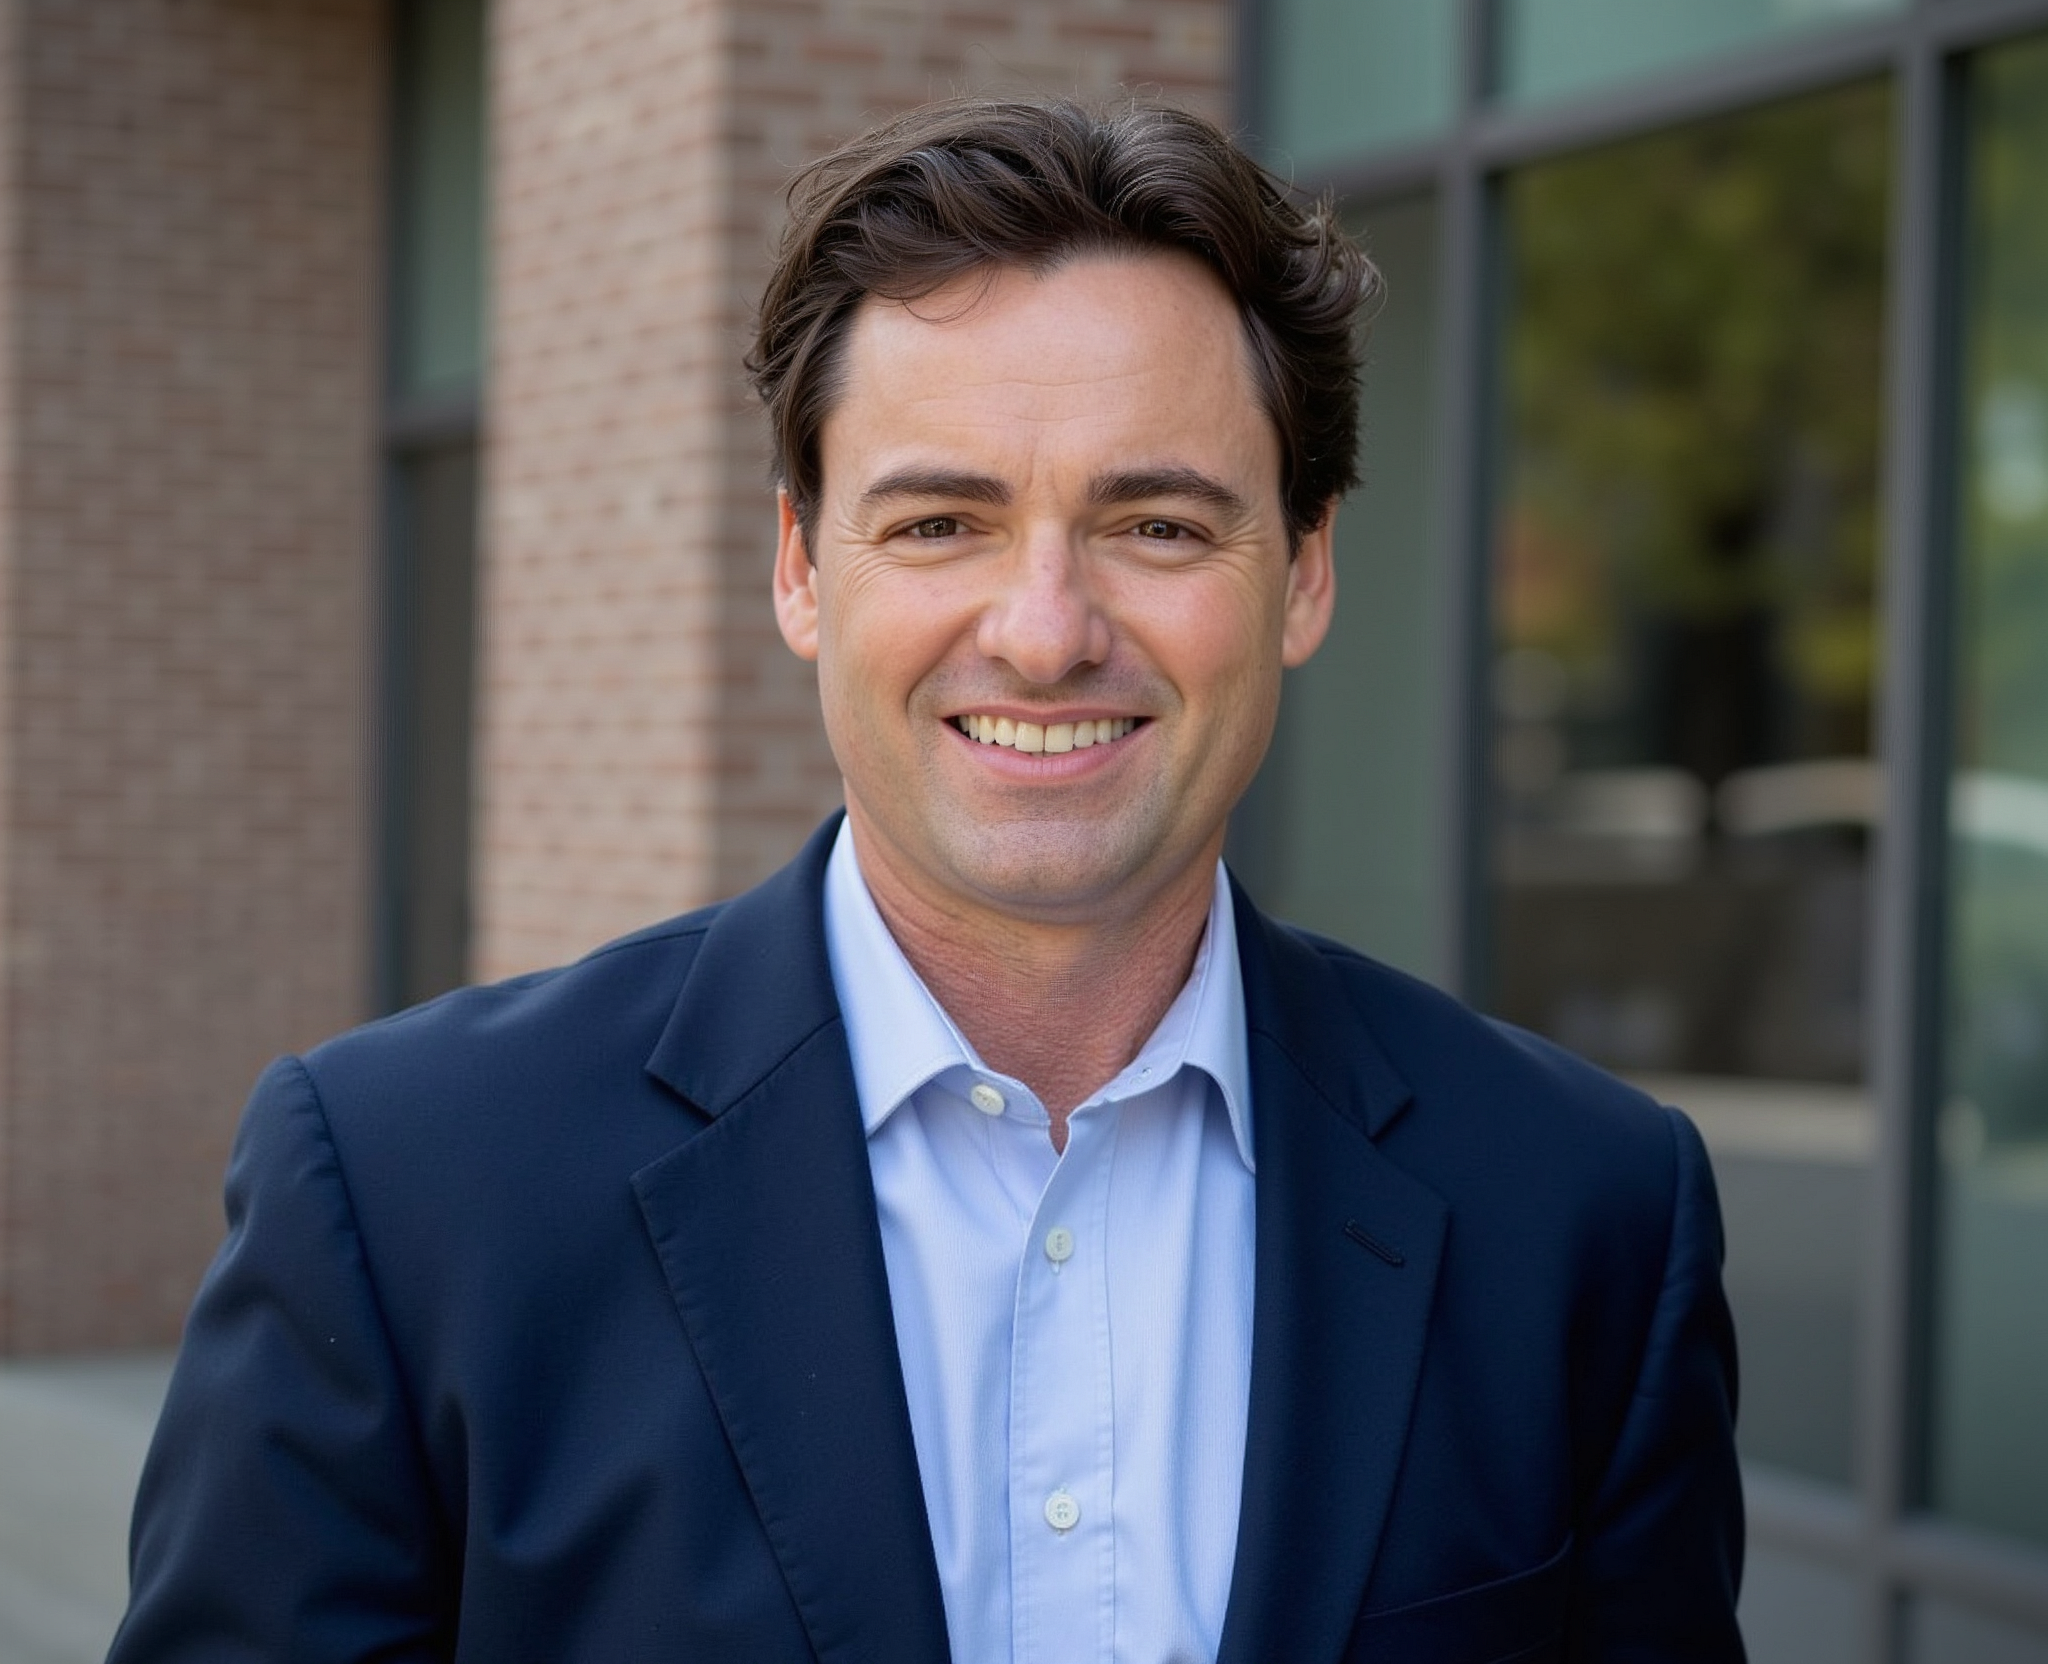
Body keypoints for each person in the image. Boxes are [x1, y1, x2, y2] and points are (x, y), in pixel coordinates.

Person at [111, 97, 1743, 1663]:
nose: (1044, 629)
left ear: (1303, 574)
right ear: (802, 570)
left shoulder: (1582, 1215)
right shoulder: (404, 1200)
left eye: (1160, 527)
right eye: (943, 522)